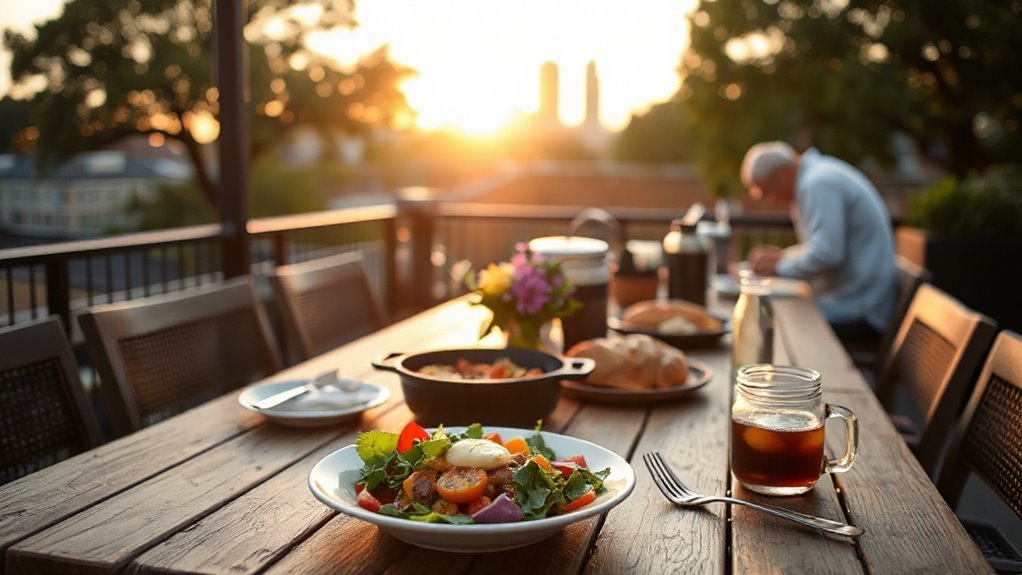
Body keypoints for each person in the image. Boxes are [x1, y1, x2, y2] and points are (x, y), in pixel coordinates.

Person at [740, 141, 897, 340]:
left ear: (779, 174)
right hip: (858, 301)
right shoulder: (818, 175)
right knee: (776, 320)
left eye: (765, 191)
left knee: (772, 327)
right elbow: (821, 248)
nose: (770, 200)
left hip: (859, 311)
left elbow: (828, 254)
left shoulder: (817, 184)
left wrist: (779, 265)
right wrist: (782, 257)